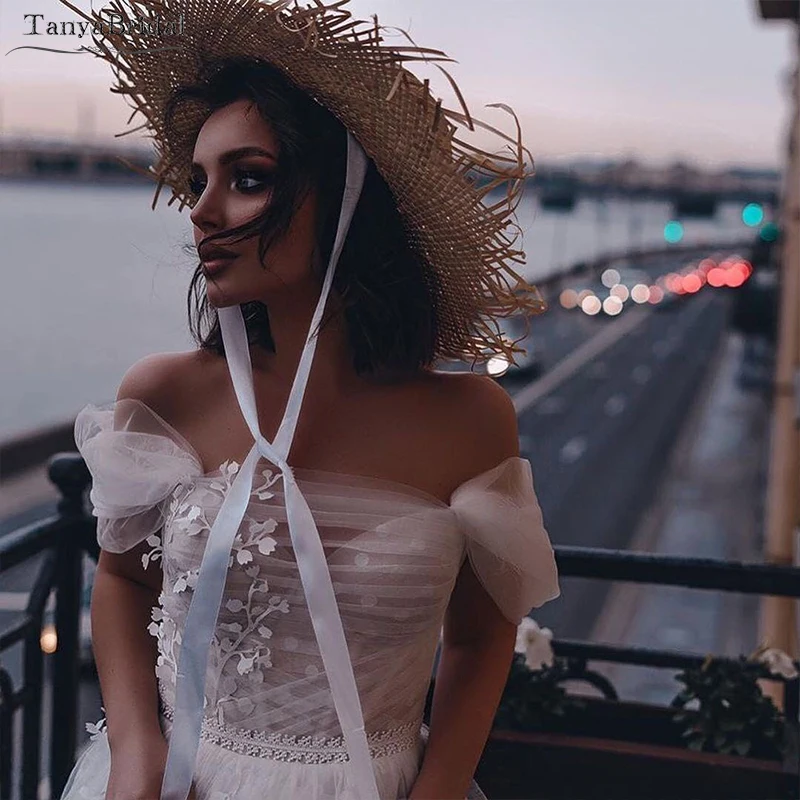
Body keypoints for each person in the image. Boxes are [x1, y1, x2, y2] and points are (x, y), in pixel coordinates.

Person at [59, 1, 561, 798]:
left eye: (248, 180)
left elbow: (481, 633)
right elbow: (121, 580)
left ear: (349, 201)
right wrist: (135, 749)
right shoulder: (164, 395)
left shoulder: (471, 421)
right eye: (199, 181)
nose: (201, 211)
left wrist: (436, 789)